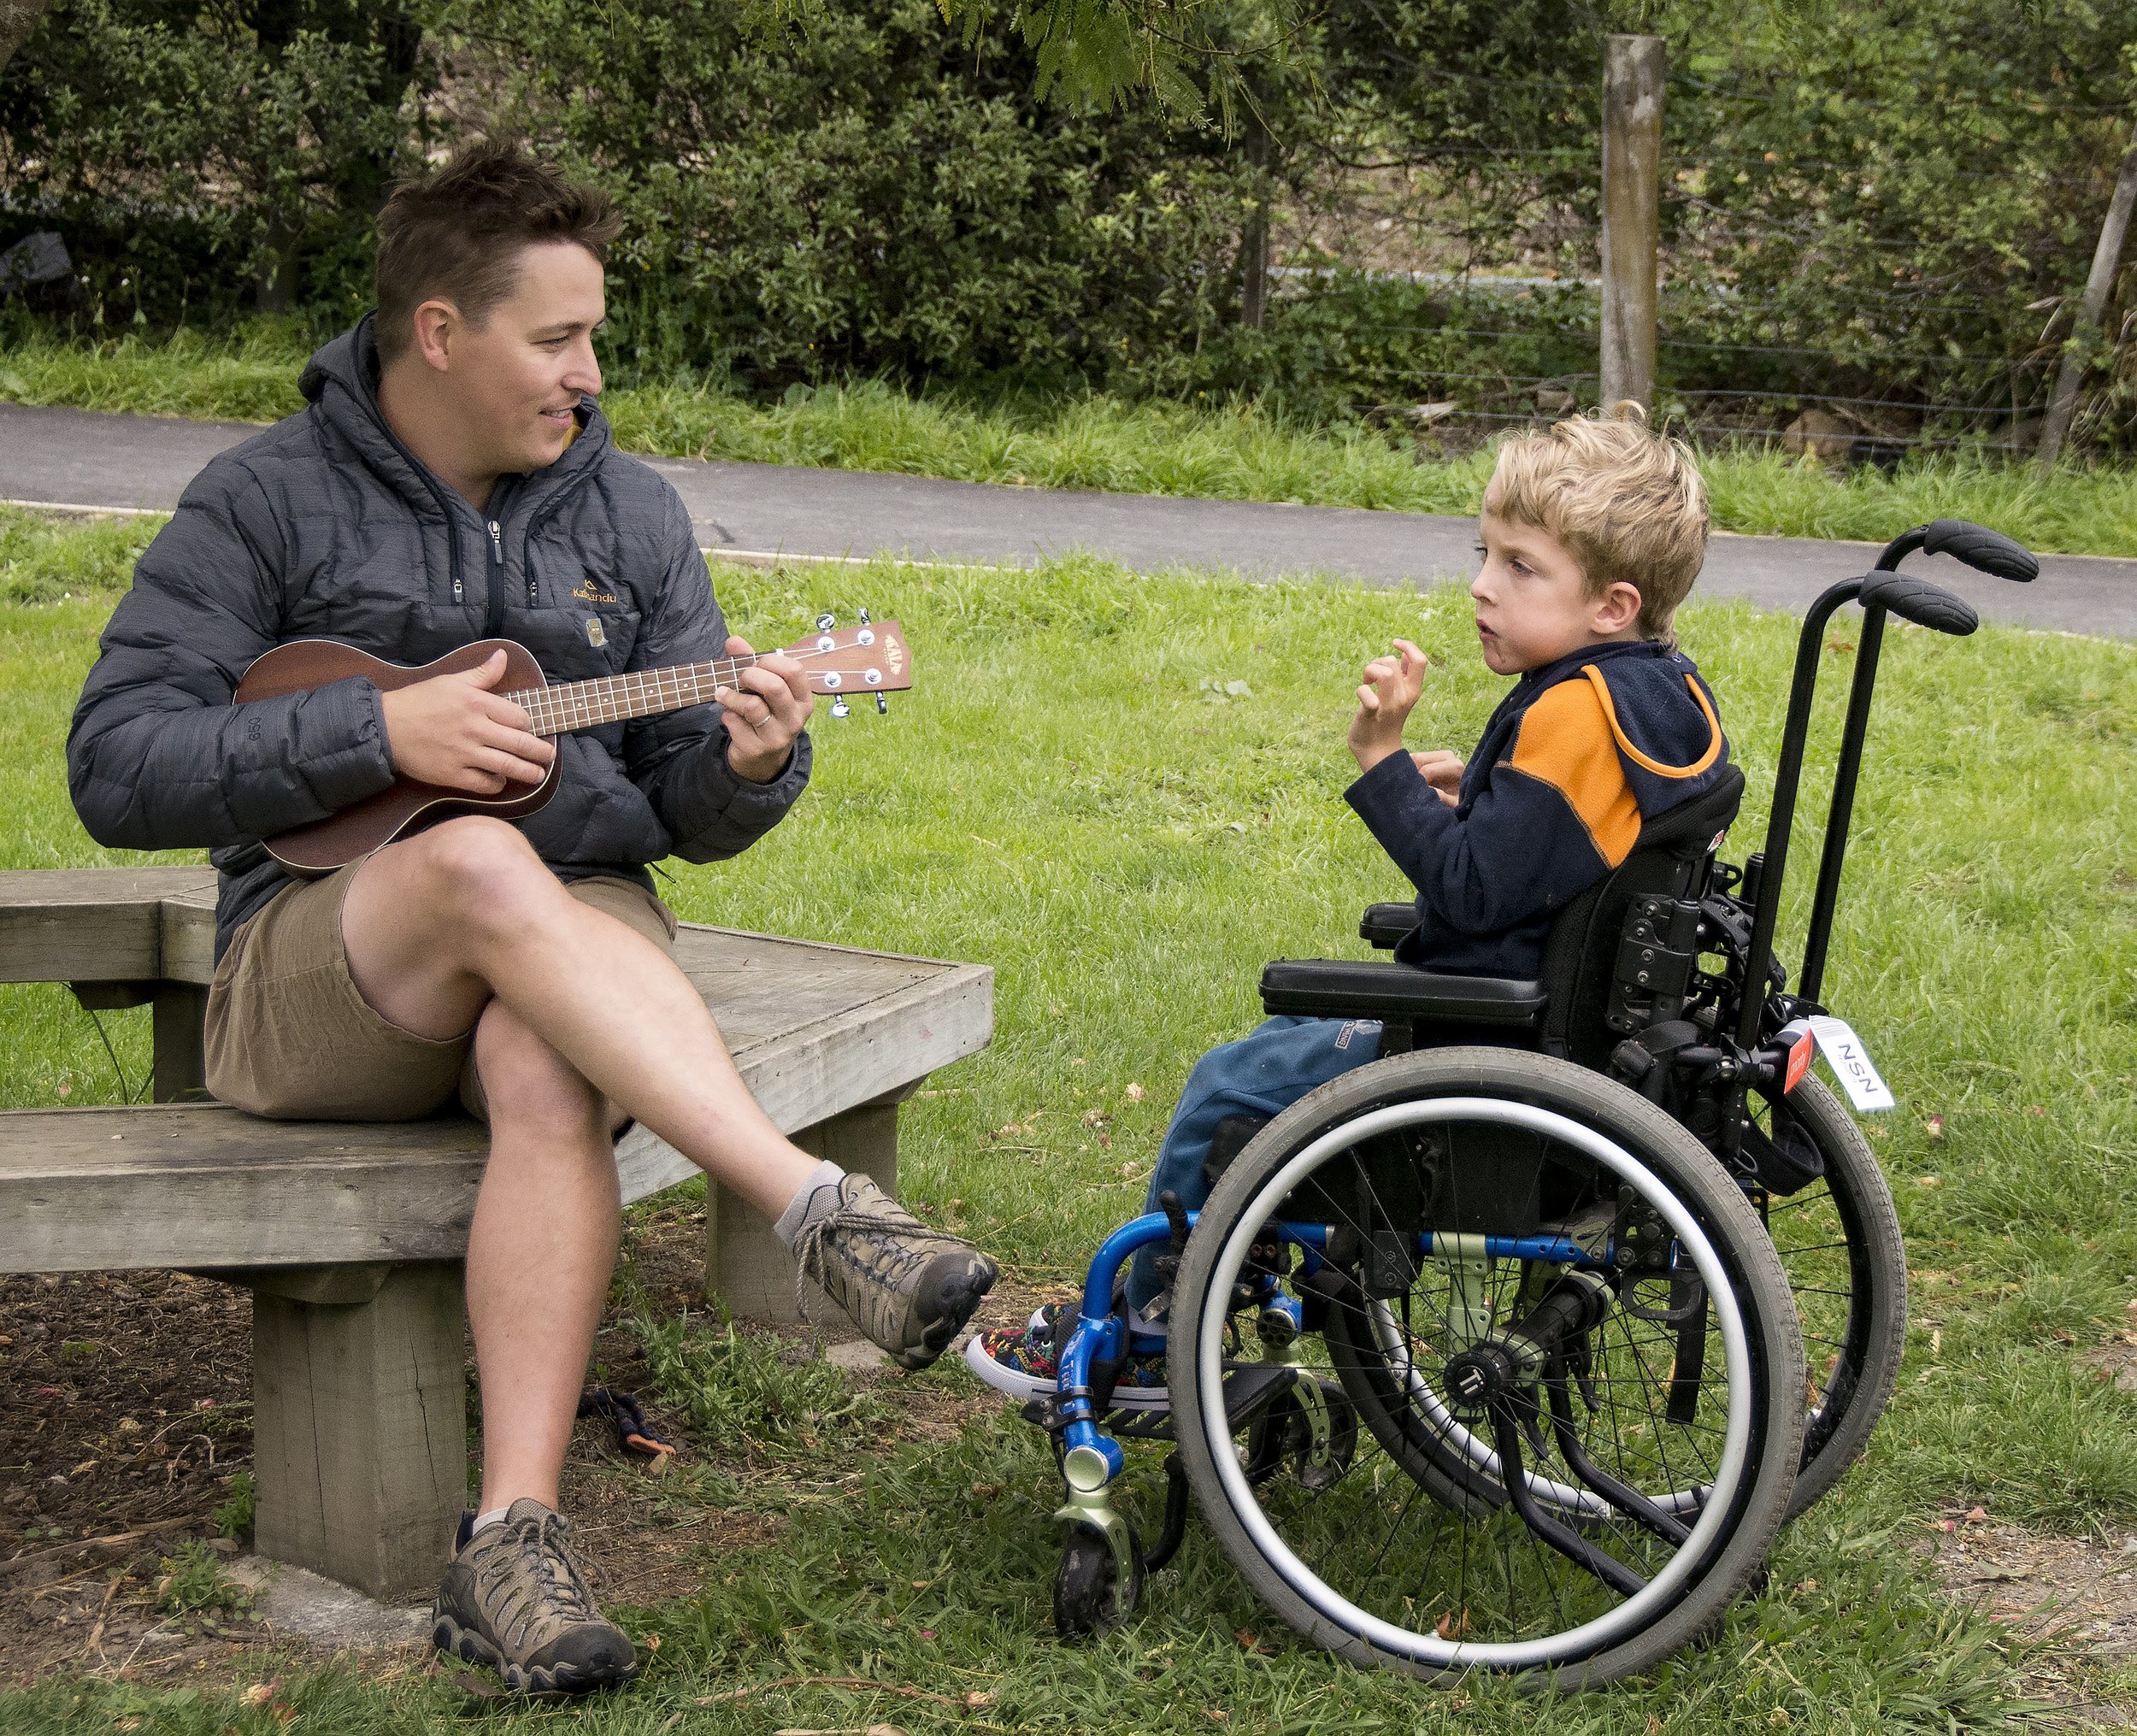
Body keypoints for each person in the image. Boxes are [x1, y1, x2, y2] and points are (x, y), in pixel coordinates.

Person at [67, 143, 998, 1696]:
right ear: (441, 332)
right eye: (557, 337)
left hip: (573, 951)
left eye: (594, 334)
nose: (591, 369)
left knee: (549, 1055)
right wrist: (381, 739)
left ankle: (510, 1546)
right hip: (324, 972)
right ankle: (817, 1212)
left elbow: (682, 811)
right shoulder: (266, 497)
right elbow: (115, 761)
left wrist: (752, 758)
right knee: (486, 867)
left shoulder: (628, 512)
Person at [968, 409, 1728, 1404]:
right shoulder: (1659, 695)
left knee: (1228, 1087)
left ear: (1612, 603)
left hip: (1483, 1041)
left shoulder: (1569, 710)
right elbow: (1556, 854)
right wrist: (1478, 801)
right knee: (1270, 1062)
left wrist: (1383, 766)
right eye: (1483, 554)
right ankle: (1242, 1276)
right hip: (1564, 1035)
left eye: (1520, 567)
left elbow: (1463, 899)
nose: (1481, 585)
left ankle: (1153, 1329)